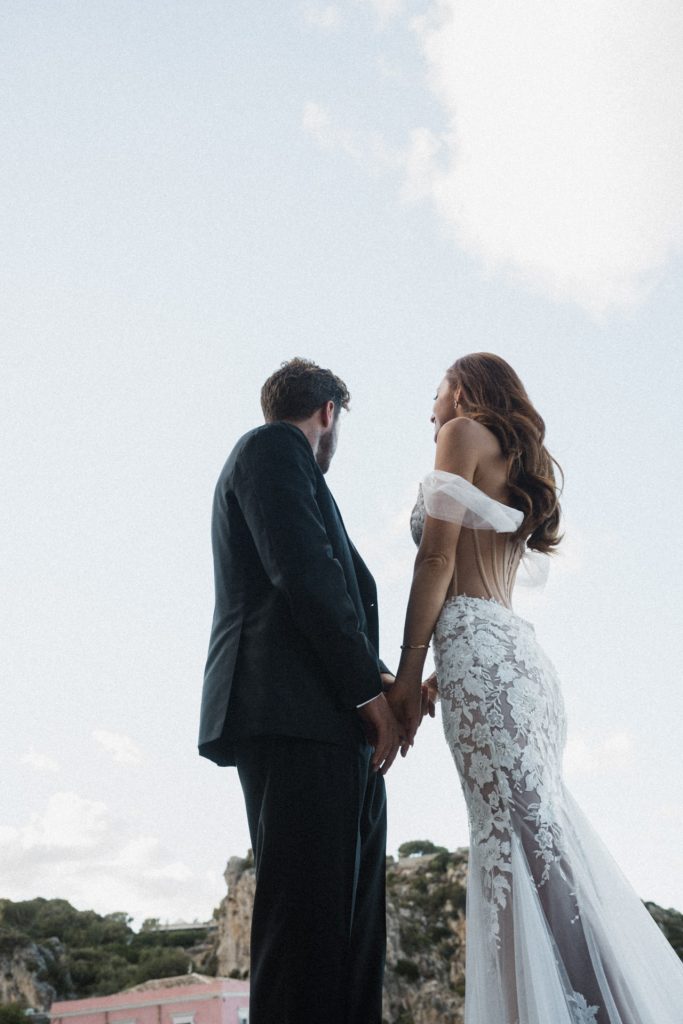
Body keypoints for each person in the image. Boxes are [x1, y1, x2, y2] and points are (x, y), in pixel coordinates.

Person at [387, 353, 683, 1024]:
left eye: (435, 393)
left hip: (484, 657)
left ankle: (599, 1011)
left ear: (461, 388)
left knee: (515, 840)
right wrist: (439, 677)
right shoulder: (522, 463)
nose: (431, 410)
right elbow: (480, 592)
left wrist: (406, 676)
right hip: (515, 660)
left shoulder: (462, 431)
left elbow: (436, 558)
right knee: (533, 836)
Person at [198, 358, 401, 1024]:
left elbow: (315, 596)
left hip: (331, 725)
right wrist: (365, 697)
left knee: (347, 934)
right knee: (307, 930)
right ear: (327, 413)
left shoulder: (280, 462)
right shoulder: (272, 449)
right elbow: (302, 573)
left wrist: (381, 685)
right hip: (296, 722)